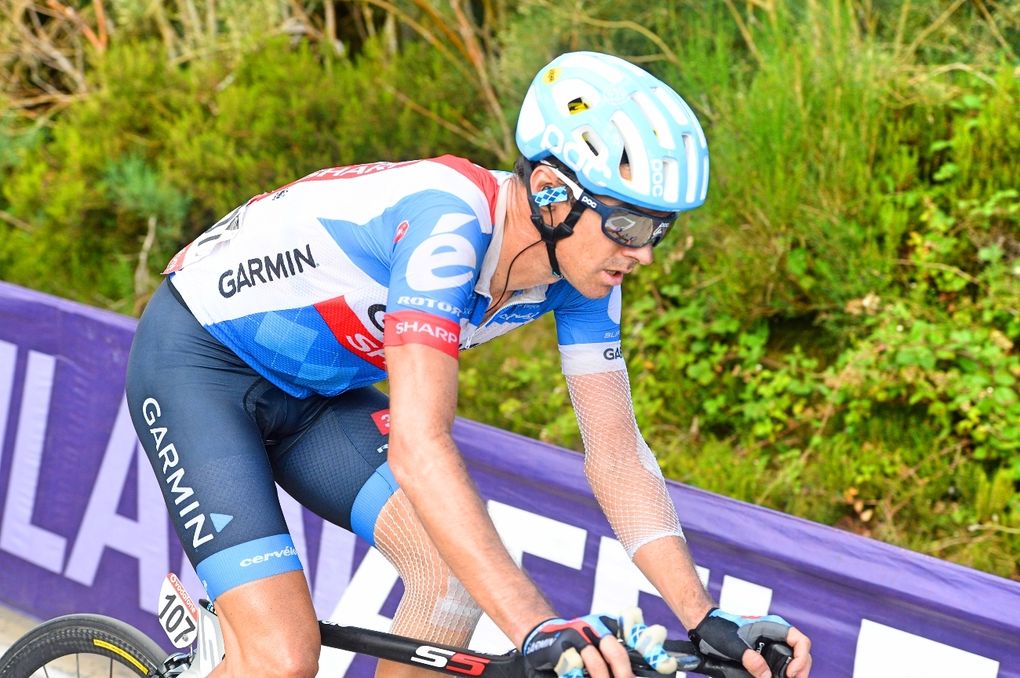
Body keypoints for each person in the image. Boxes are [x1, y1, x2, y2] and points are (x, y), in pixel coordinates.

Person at [126, 51, 812, 678]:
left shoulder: (585, 278)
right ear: (552, 193)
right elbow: (420, 447)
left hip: (317, 395)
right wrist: (537, 627)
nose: (645, 253)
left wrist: (703, 617)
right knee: (281, 659)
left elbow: (616, 455)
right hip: (200, 367)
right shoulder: (448, 225)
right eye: (628, 225)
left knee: (449, 583)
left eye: (659, 228)